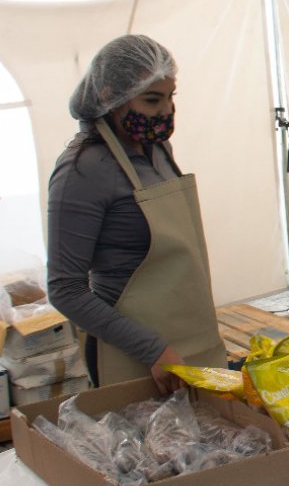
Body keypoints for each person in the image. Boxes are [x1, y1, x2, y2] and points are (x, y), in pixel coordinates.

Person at [47, 34, 226, 393]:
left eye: (171, 97)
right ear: (110, 97)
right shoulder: (82, 171)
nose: (166, 111)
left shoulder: (159, 149)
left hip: (193, 336)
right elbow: (65, 289)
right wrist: (153, 349)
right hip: (132, 353)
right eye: (152, 100)